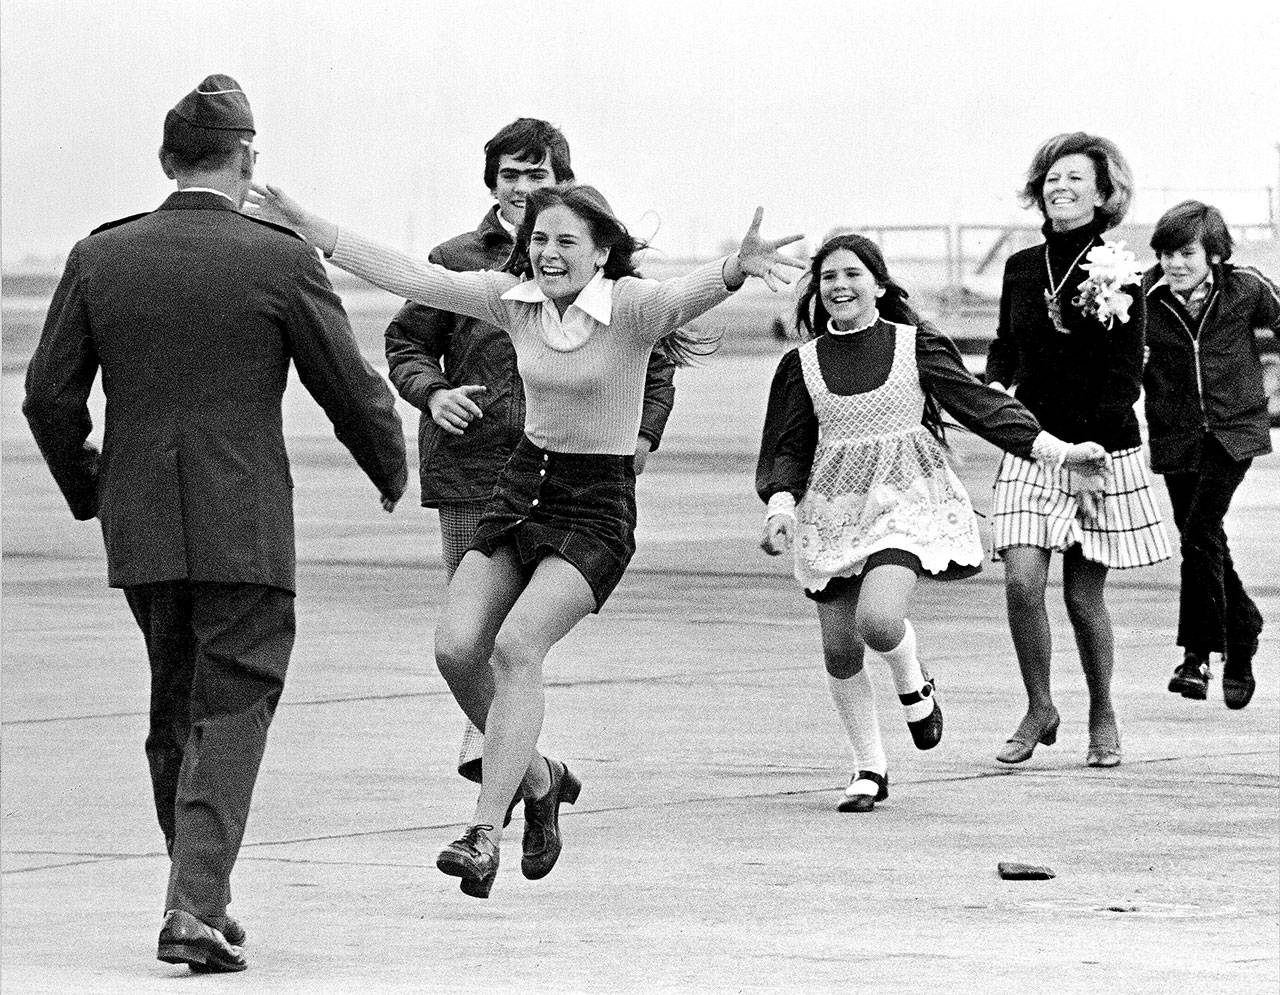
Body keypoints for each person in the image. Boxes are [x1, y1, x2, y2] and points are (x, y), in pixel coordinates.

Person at [250, 179, 803, 897]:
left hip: (597, 507)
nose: (548, 253)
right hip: (521, 491)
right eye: (539, 239)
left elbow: (681, 299)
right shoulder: (512, 302)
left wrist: (735, 267)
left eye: (566, 240)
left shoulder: (630, 309)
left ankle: (483, 832)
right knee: (454, 648)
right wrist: (310, 226)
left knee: (517, 647)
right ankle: (540, 779)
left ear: (601, 250)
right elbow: (412, 275)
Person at [22, 76, 407, 972]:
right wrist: (389, 465)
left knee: (176, 709)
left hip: (143, 526)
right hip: (246, 528)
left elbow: (47, 396)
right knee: (233, 705)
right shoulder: (277, 257)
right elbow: (346, 384)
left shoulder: (98, 255)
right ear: (246, 161)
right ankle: (193, 903)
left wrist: (93, 485)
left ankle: (199, 893)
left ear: (166, 161)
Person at [757, 233, 1108, 811]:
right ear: (817, 291)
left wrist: (1060, 452)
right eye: (828, 277)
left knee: (878, 618)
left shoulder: (913, 346)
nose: (839, 286)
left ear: (879, 284)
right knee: (840, 653)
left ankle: (911, 679)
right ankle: (869, 767)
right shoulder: (802, 364)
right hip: (834, 510)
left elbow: (981, 404)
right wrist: (780, 508)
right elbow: (787, 447)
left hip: (907, 501)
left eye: (853, 274)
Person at [384, 119, 677, 800]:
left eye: (536, 175)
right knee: (468, 629)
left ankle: (502, 766)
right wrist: (433, 393)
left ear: (560, 184)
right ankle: (521, 766)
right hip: (475, 465)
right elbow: (406, 343)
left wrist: (644, 435)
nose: (522, 187)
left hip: (571, 470)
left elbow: (655, 361)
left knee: (516, 639)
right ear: (492, 183)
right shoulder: (461, 259)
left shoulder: (583, 260)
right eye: (509, 174)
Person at [984, 132, 1171, 768]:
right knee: (1020, 580)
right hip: (1035, 446)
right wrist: (990, 397)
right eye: (1052, 178)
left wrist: (1087, 448)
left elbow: (1124, 377)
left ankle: (1102, 710)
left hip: (1102, 449)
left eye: (1076, 179)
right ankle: (1040, 705)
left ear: (1103, 194)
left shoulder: (1121, 271)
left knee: (1083, 596)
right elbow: (1006, 350)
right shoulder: (1020, 267)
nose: (1060, 188)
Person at [1143, 200, 1279, 709]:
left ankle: (1198, 655)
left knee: (1200, 531)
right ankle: (1242, 628)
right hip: (1177, 434)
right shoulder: (1140, 296)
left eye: (1186, 252)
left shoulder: (1246, 288)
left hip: (1233, 429)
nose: (1174, 263)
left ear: (1214, 254)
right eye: (1165, 253)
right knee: (1202, 537)